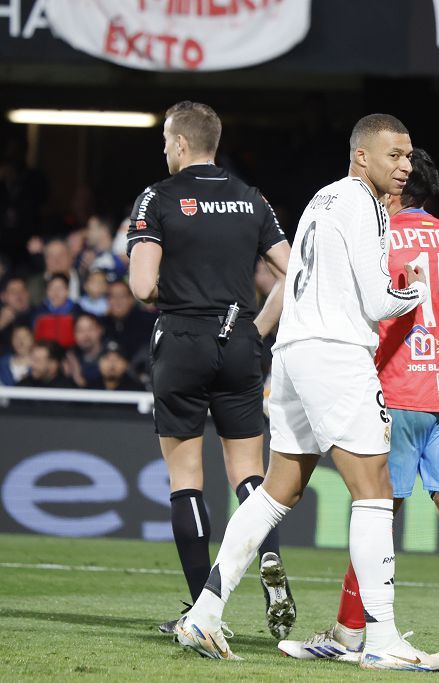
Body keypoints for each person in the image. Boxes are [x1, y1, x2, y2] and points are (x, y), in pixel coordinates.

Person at [176, 114, 439, 671]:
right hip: (335, 352)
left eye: (408, 156)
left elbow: (292, 278)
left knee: (279, 490)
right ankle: (382, 639)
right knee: (374, 488)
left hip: (296, 351)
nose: (404, 167)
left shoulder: (321, 200)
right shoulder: (366, 204)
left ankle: (204, 613)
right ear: (362, 158)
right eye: (394, 156)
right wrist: (415, 287)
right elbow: (379, 304)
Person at [278, 148, 439, 670]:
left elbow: (370, 312)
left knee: (375, 511)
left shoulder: (383, 235)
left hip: (397, 392)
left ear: (396, 190)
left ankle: (352, 636)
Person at [125, 101, 295, 637]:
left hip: (182, 338)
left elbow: (141, 286)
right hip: (241, 339)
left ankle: (201, 612)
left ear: (178, 144)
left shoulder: (158, 196)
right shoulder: (251, 199)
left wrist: (183, 292)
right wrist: (256, 329)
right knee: (249, 475)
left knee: (186, 478)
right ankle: (267, 557)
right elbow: (294, 274)